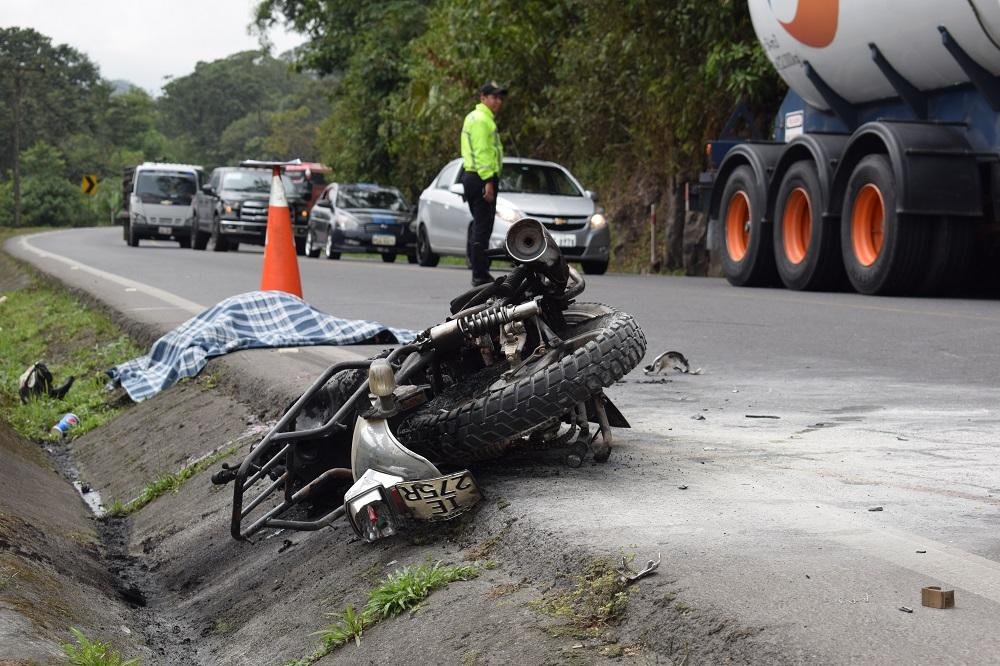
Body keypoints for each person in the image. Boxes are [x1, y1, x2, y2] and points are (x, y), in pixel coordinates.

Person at [461, 81, 506, 286]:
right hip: (480, 176)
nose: (498, 101)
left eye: (500, 97)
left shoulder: (482, 118)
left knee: (482, 226)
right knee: (482, 227)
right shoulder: (481, 120)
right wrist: (488, 180)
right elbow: (483, 152)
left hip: (475, 176)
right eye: (494, 97)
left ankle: (480, 270)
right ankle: (479, 273)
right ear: (483, 98)